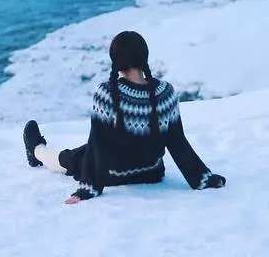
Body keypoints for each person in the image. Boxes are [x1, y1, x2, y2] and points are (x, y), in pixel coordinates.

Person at [22, 30, 227, 203]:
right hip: (151, 173)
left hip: (110, 174)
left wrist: (87, 189)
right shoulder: (166, 93)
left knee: (69, 158)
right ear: (144, 56)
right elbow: (178, 143)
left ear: (116, 61)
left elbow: (97, 146)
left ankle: (36, 150)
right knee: (85, 151)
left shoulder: (107, 94)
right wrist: (202, 178)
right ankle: (40, 151)